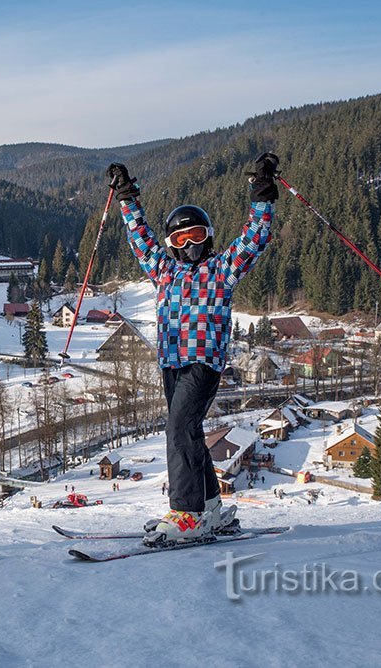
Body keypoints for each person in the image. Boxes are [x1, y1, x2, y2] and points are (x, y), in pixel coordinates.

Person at [106, 153, 279, 546]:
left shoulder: (222, 270)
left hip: (203, 362)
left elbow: (255, 237)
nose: (188, 246)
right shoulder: (163, 270)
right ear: (171, 245)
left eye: (196, 236)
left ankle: (187, 513)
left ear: (209, 237)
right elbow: (140, 237)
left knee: (178, 429)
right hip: (171, 362)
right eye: (179, 240)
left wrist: (262, 193)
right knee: (191, 432)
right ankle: (211, 509)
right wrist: (127, 197)